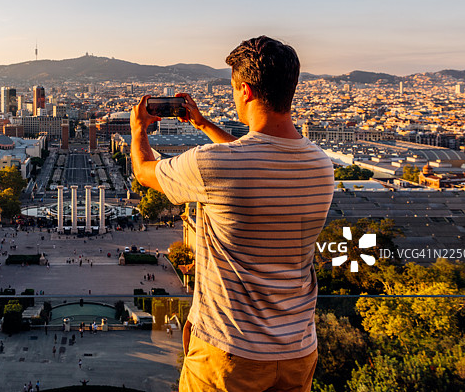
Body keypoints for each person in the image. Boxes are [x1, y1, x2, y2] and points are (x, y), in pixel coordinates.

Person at [130, 36, 334, 392]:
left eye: (233, 89)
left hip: (229, 352)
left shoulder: (214, 166)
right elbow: (256, 159)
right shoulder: (321, 166)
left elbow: (144, 171)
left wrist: (138, 130)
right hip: (298, 350)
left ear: (246, 90)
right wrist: (204, 124)